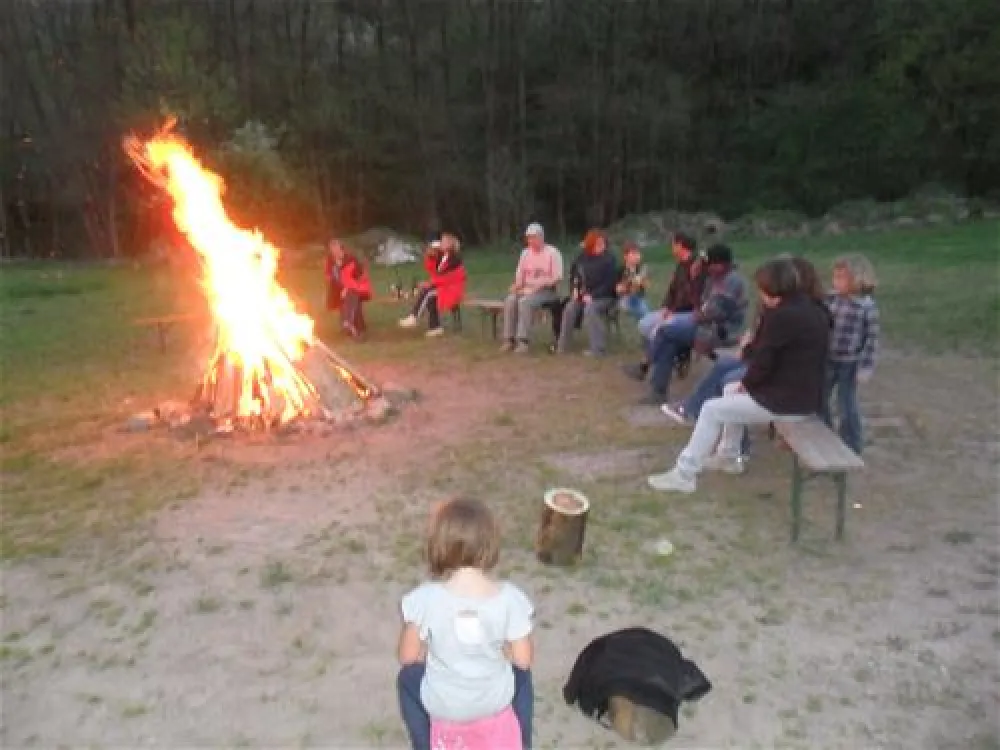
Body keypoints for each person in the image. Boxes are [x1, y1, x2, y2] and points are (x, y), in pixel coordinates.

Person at [647, 257, 830, 494]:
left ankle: (685, 474)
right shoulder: (814, 309)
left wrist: (748, 383)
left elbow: (763, 360)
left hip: (787, 402)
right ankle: (729, 456)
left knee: (711, 409)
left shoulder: (782, 316)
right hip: (804, 395)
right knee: (730, 389)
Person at [396, 498, 534, 750]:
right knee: (522, 678)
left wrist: (430, 648)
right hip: (493, 700)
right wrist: (504, 651)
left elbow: (407, 657)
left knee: (407, 678)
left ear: (439, 545)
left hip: (445, 704)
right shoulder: (510, 599)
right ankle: (521, 743)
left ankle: (426, 744)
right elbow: (523, 660)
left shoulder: (425, 599)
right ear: (490, 544)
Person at [638, 244, 748, 405]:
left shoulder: (732, 281)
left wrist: (697, 316)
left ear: (720, 265)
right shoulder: (714, 278)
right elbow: (699, 304)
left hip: (721, 331)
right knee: (667, 336)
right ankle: (657, 388)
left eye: (709, 264)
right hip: (705, 324)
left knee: (665, 331)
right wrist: (695, 278)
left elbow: (715, 313)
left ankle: (647, 368)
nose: (706, 267)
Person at [625, 232, 704, 380]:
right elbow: (672, 290)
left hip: (689, 312)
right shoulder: (681, 265)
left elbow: (692, 296)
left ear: (680, 246)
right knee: (644, 324)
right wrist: (667, 307)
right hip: (674, 309)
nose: (671, 247)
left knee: (659, 329)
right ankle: (668, 355)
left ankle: (645, 366)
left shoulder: (696, 267)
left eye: (673, 244)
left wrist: (673, 311)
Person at [822, 253, 880, 455]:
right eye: (835, 277)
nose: (836, 282)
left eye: (841, 278)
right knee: (820, 398)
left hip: (850, 363)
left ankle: (852, 445)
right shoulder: (831, 299)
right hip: (828, 359)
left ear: (857, 279)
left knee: (846, 405)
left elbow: (871, 341)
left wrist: (866, 368)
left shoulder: (866, 307)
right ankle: (825, 437)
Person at [554, 229, 620, 356]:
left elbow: (610, 283)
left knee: (590, 309)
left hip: (605, 297)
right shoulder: (582, 258)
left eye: (603, 243)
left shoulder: (609, 259)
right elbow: (574, 275)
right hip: (584, 295)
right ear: (590, 244)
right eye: (598, 244)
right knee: (570, 308)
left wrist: (593, 296)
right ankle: (562, 346)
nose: (601, 246)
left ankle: (598, 349)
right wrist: (574, 289)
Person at [501, 223, 563, 353]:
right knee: (511, 300)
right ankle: (509, 339)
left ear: (541, 237)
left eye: (534, 237)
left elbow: (557, 277)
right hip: (526, 289)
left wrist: (540, 285)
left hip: (547, 291)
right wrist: (516, 285)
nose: (531, 241)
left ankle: (523, 341)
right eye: (529, 238)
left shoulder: (552, 252)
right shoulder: (525, 253)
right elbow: (520, 274)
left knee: (525, 302)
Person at [399, 233, 467, 337]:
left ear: (450, 245)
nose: (440, 243)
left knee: (428, 292)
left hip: (452, 289)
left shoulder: (455, 259)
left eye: (443, 241)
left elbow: (448, 278)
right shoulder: (442, 256)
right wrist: (430, 257)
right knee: (430, 297)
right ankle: (435, 327)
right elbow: (432, 271)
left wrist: (429, 284)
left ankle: (414, 317)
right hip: (443, 287)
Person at [324, 238, 371, 339]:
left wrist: (347, 288)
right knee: (344, 301)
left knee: (351, 299)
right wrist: (336, 283)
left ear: (341, 248)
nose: (334, 251)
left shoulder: (350, 260)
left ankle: (353, 325)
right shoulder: (330, 261)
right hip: (339, 289)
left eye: (336, 248)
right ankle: (348, 325)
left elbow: (358, 276)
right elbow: (328, 276)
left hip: (356, 287)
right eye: (332, 249)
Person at [616, 241, 650, 321]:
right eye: (634, 254)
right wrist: (627, 285)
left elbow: (647, 285)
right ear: (625, 256)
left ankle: (646, 321)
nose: (637, 256)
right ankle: (646, 320)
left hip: (639, 298)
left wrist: (641, 281)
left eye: (638, 254)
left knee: (642, 308)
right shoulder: (620, 270)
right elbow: (618, 289)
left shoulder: (642, 268)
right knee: (641, 309)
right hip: (624, 299)